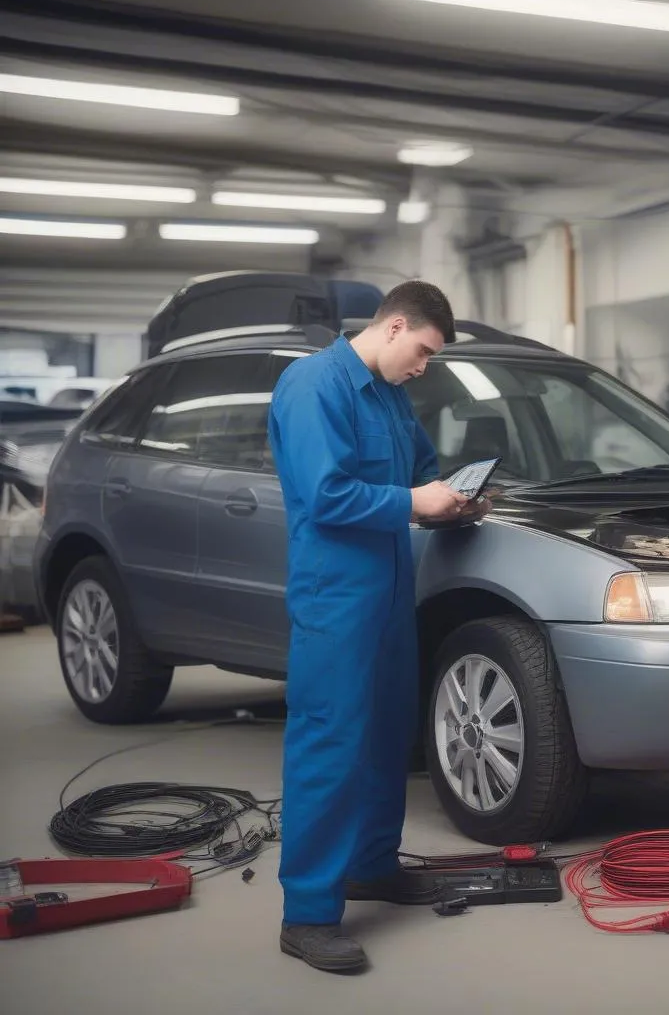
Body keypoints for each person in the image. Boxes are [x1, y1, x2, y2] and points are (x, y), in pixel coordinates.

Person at [267, 281, 489, 974]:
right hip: (336, 594)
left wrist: (450, 499)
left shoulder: (388, 393)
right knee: (330, 740)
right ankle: (306, 915)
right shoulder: (313, 386)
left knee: (389, 729)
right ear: (394, 327)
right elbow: (325, 493)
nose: (423, 368)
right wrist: (413, 500)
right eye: (423, 352)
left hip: (391, 590)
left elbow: (420, 472)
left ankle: (369, 865)